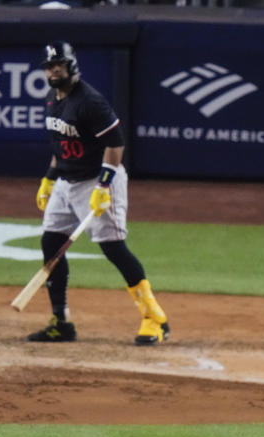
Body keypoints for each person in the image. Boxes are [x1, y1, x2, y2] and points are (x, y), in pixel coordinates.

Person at [29, 40, 170, 346]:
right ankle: (61, 321)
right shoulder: (53, 100)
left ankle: (155, 318)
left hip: (98, 178)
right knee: (51, 242)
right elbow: (60, 147)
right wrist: (49, 179)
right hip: (67, 181)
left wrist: (104, 185)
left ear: (71, 66)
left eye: (59, 65)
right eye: (49, 66)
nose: (54, 71)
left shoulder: (90, 101)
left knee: (113, 248)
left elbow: (116, 143)